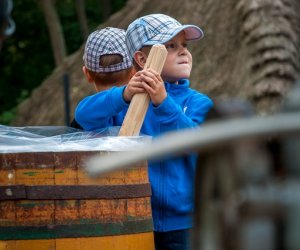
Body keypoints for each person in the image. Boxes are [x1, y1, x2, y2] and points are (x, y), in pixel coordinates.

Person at [75, 14, 213, 250]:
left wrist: (164, 103)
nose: (183, 52)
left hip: (185, 224)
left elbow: (197, 144)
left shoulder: (198, 103)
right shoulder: (128, 102)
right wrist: (124, 95)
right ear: (141, 58)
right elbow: (83, 116)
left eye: (185, 45)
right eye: (171, 46)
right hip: (134, 217)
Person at [70, 27, 135, 129]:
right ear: (133, 72)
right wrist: (124, 94)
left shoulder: (90, 113)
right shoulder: (149, 106)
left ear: (87, 74)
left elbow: (82, 113)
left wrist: (123, 95)